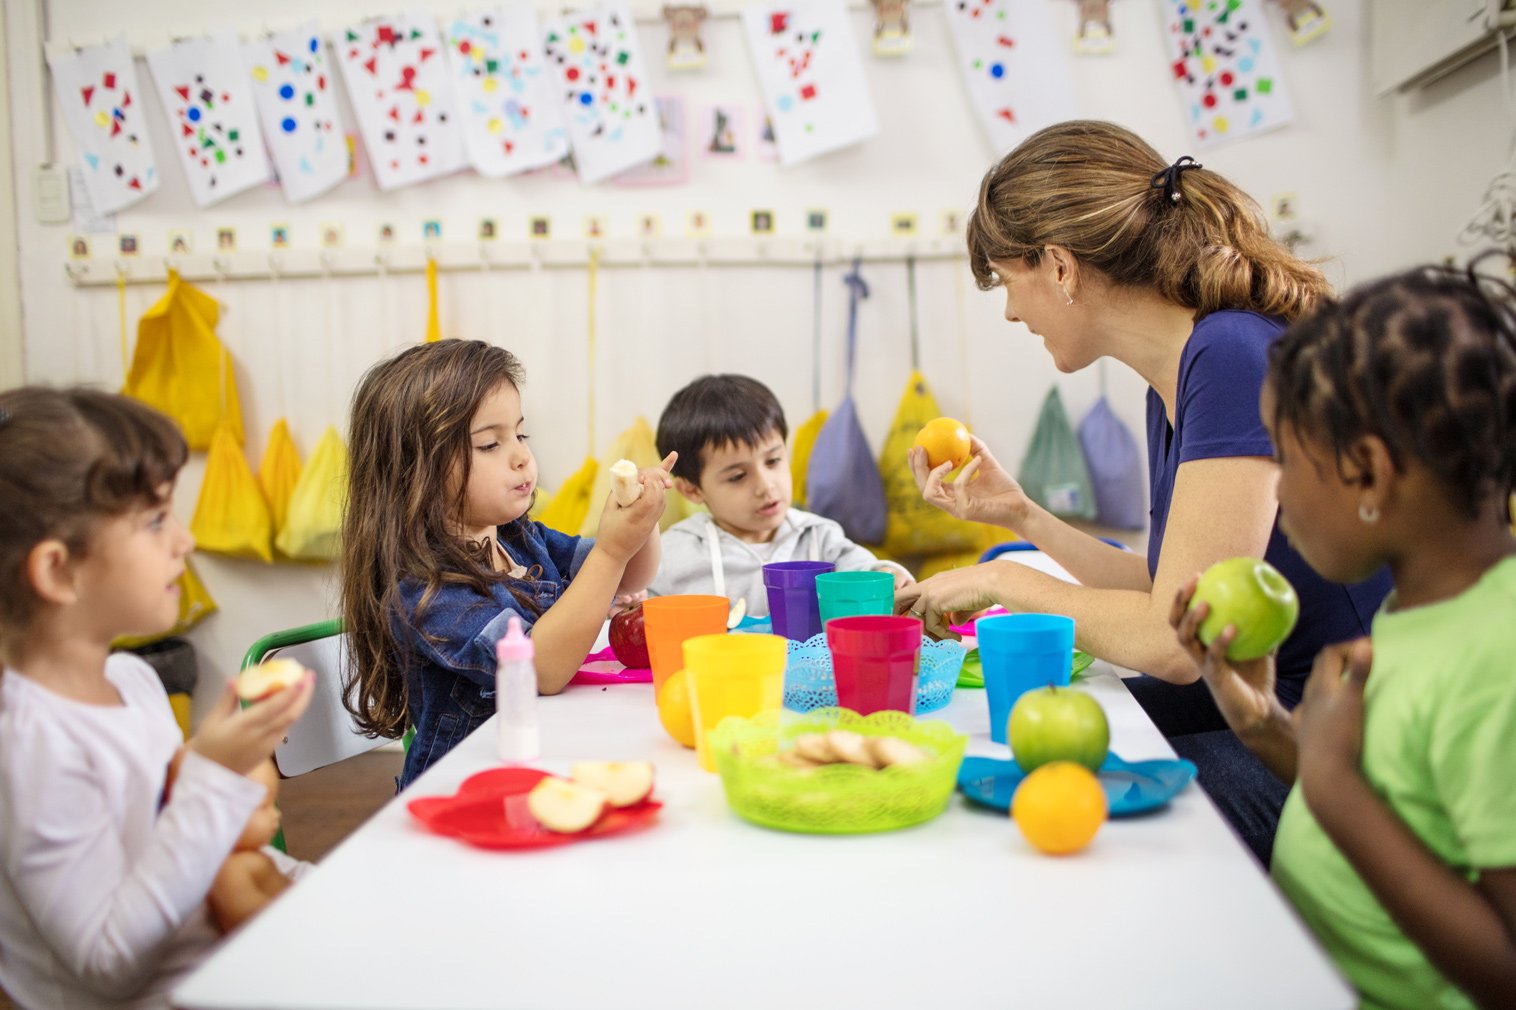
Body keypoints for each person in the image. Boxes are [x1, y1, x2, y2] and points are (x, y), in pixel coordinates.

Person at [893, 120, 1391, 863]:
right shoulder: (1183, 372)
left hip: (1340, 742)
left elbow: (1171, 643)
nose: (1010, 311)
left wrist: (1003, 578)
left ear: (1059, 266)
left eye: (1008, 281)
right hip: (1271, 699)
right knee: (1007, 758)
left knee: (1031, 810)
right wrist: (1022, 516)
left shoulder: (1228, 357)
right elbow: (1176, 589)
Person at [1171, 260, 1516, 1010]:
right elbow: (1409, 806)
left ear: (1367, 472)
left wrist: (1330, 783)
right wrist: (1268, 727)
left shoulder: (1499, 661)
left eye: (1286, 462)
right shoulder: (1424, 608)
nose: (1280, 493)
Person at [0, 387, 312, 1010]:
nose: (185, 540)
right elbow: (107, 967)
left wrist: (229, 773)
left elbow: (179, 838)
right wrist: (211, 775)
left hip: (230, 959)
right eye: (154, 521)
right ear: (60, 571)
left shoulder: (133, 679)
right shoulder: (29, 742)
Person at [340, 339, 671, 790]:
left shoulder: (518, 538)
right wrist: (613, 550)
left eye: (520, 434)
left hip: (538, 763)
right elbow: (542, 668)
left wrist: (641, 518)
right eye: (490, 443)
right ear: (415, 470)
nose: (521, 456)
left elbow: (632, 575)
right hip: (462, 791)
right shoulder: (426, 592)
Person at [650, 374, 912, 613]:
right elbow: (637, 609)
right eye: (738, 476)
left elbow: (865, 571)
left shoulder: (818, 537)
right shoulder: (675, 552)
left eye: (773, 461)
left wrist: (888, 575)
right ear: (692, 489)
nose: (766, 486)